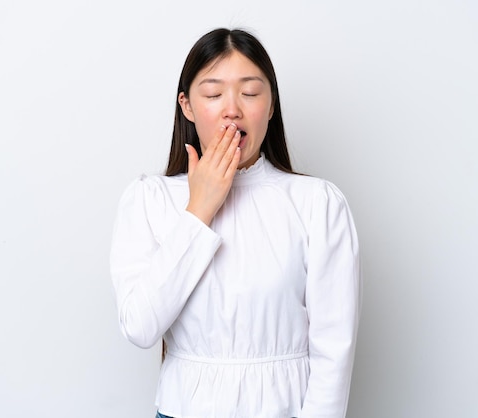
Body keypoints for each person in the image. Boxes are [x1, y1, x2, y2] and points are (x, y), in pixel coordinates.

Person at [110, 28, 361, 418]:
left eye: (250, 93)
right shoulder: (150, 200)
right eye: (213, 94)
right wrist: (200, 209)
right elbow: (141, 326)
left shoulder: (317, 204)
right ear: (187, 106)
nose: (232, 110)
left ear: (272, 105)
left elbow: (334, 350)